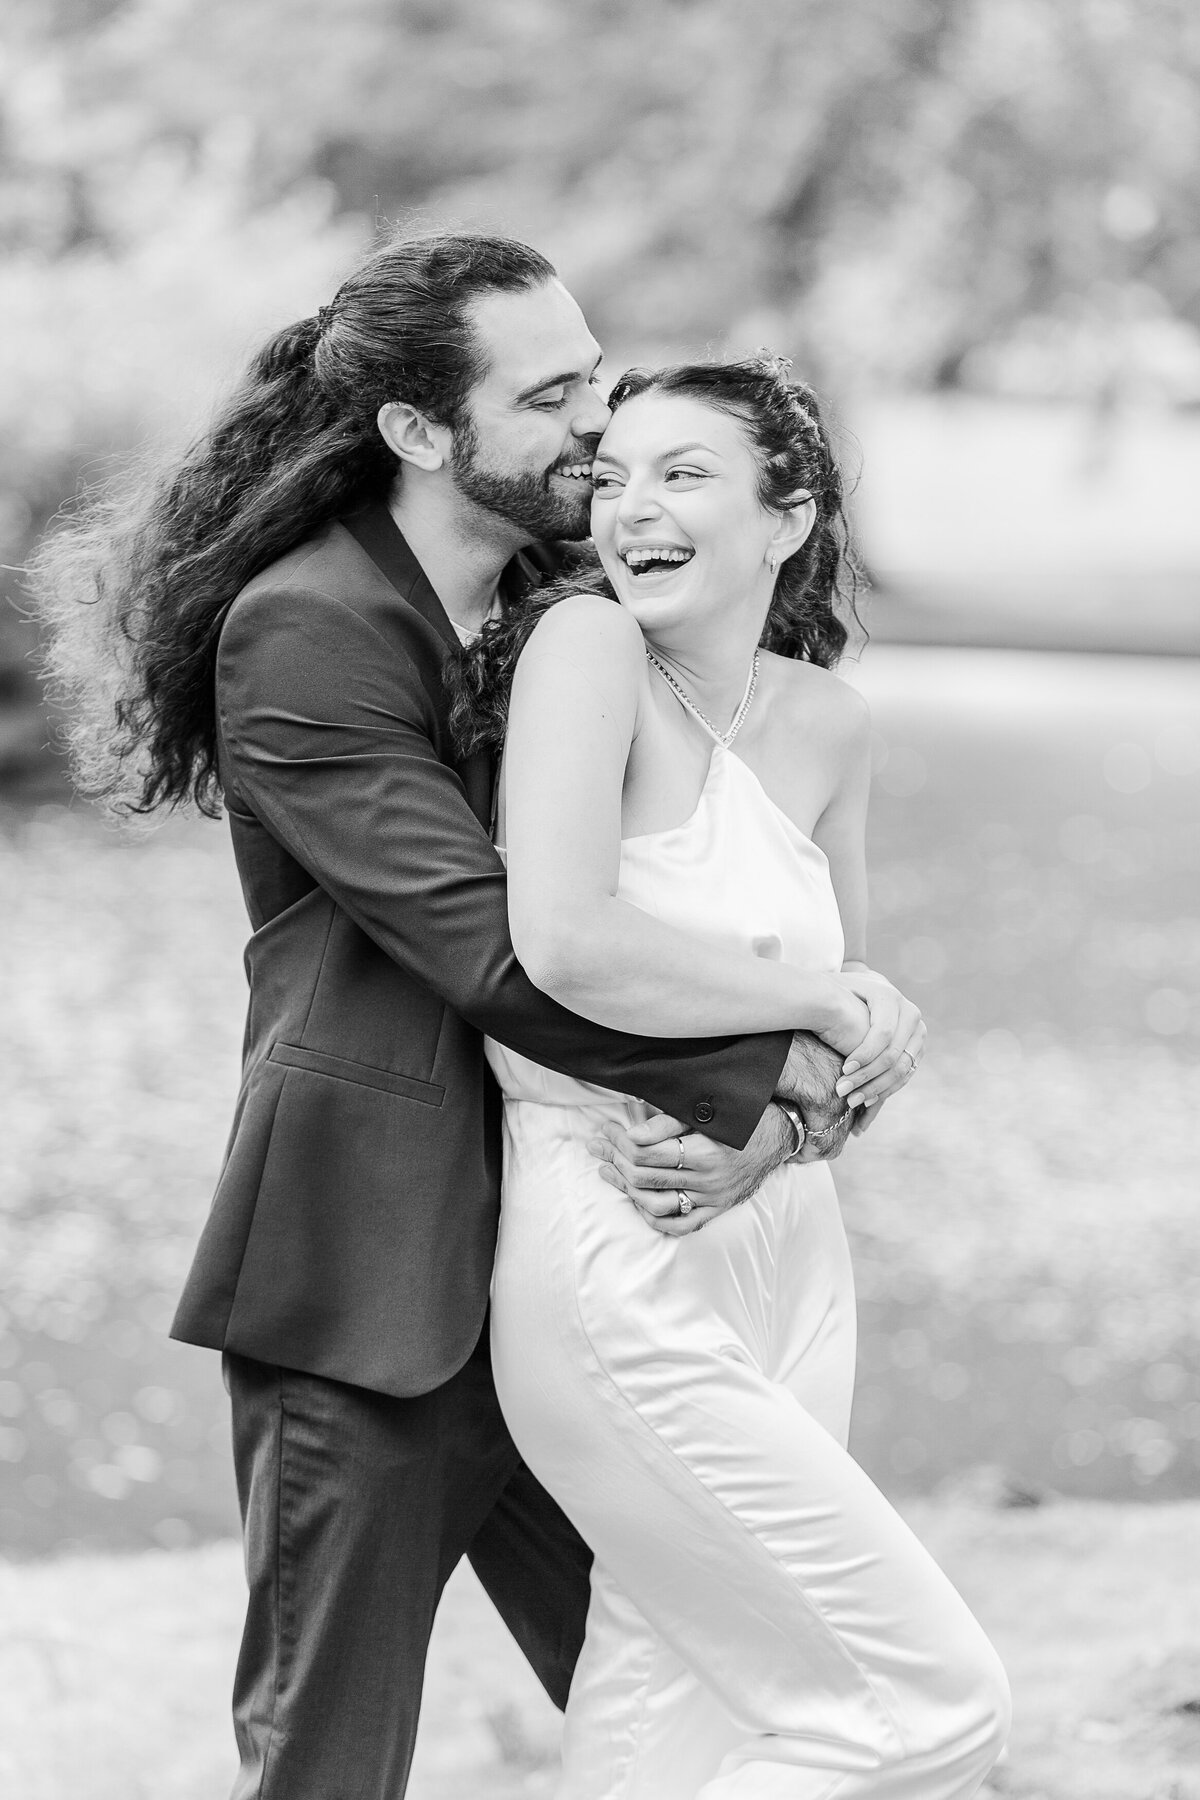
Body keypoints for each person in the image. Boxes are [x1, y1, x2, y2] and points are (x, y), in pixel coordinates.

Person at [30, 232, 882, 1800]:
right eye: (552, 392)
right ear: (420, 430)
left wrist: (796, 1094)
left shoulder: (587, 604)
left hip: (596, 1277)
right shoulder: (305, 629)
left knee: (724, 1701)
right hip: (381, 1279)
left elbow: (737, 828)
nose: (596, 421)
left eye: (598, 377)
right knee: (330, 1763)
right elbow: (500, 953)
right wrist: (791, 1073)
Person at [454, 357, 1011, 1797]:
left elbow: (846, 1054)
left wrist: (787, 1129)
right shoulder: (586, 652)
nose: (631, 506)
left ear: (788, 518)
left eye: (683, 473)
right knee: (927, 1709)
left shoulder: (828, 724)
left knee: (671, 1705)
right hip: (617, 1247)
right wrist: (826, 999)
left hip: (787, 1258)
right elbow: (564, 943)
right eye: (615, 476)